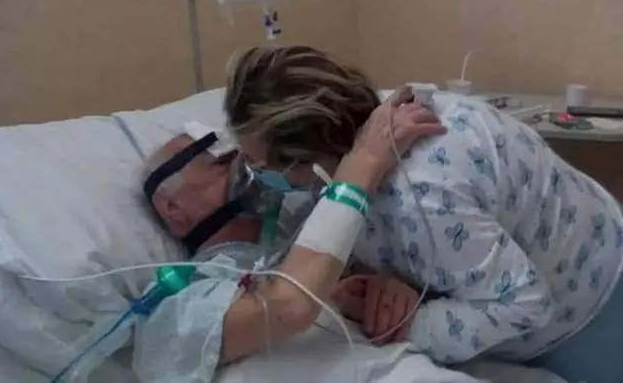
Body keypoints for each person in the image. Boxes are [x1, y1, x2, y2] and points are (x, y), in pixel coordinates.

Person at [222, 45, 623, 383]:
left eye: (260, 166)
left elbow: (523, 303)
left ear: (309, 154)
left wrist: (413, 324)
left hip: (589, 303)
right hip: (586, 233)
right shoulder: (381, 115)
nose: (253, 176)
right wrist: (384, 282)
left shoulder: (420, 196)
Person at [134, 91, 443, 382]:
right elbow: (290, 304)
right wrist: (363, 163)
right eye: (222, 160)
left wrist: (389, 294)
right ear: (172, 206)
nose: (253, 166)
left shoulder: (327, 248)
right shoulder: (174, 310)